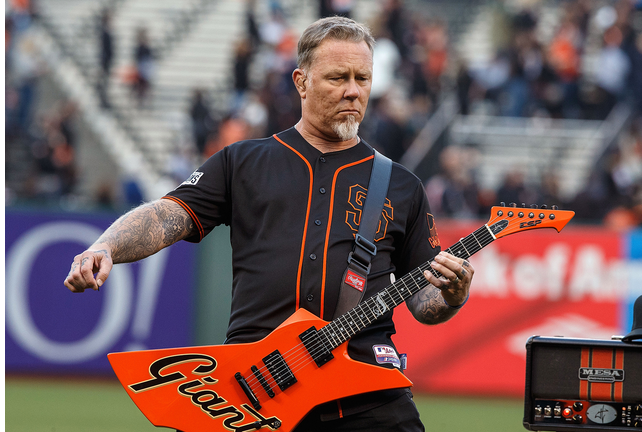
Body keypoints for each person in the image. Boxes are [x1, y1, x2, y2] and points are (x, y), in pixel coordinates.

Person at [64, 16, 473, 432]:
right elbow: (170, 214)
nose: (353, 90)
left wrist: (453, 296)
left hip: (368, 390)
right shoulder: (241, 161)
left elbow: (425, 304)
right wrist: (106, 247)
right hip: (255, 390)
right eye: (337, 77)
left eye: (362, 78)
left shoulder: (402, 185)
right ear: (301, 81)